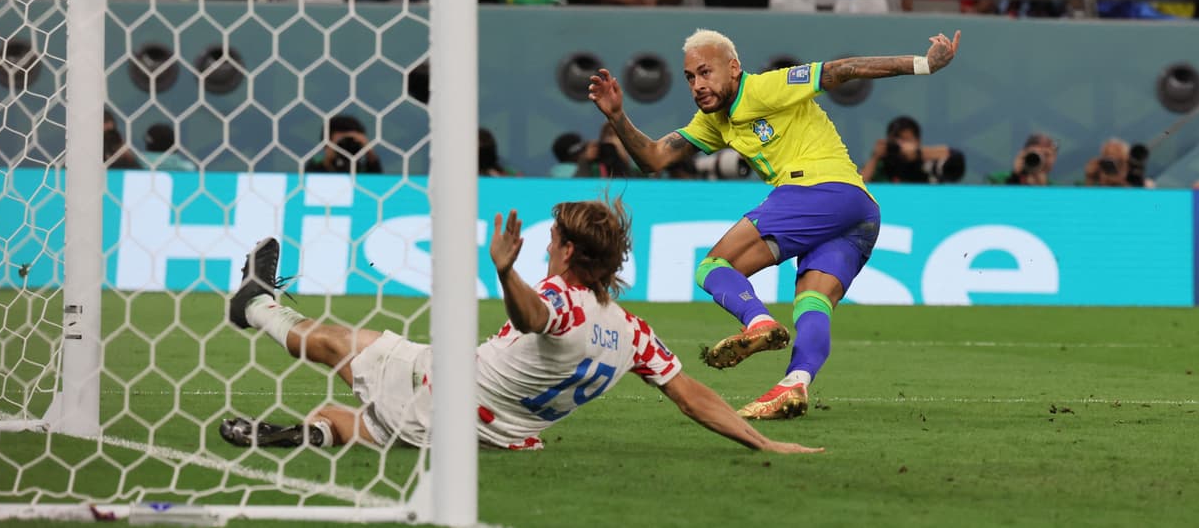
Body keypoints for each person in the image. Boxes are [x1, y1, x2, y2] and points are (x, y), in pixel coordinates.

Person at [221, 204, 824, 453]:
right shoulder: (634, 332)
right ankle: (319, 435)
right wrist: (762, 441)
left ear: (566, 253)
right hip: (496, 439)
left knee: (344, 344)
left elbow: (535, 317)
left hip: (441, 390)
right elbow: (691, 397)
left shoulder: (557, 298)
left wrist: (507, 273)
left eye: (553, 240)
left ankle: (254, 304)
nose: (548, 247)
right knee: (363, 419)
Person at [587, 28, 961, 419]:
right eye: (690, 77)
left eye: (706, 72)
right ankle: (794, 384)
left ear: (733, 68)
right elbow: (653, 159)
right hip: (859, 212)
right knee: (812, 303)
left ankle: (758, 321)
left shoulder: (765, 88)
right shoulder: (714, 121)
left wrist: (923, 64)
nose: (698, 85)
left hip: (818, 190)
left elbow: (844, 69)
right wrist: (616, 116)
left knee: (713, 266)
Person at [304, 115, 383, 174]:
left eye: (351, 140)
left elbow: (378, 182)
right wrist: (328, 160)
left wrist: (369, 151)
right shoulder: (315, 164)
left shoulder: (363, 169)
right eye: (341, 142)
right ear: (326, 144)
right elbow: (311, 179)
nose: (346, 145)